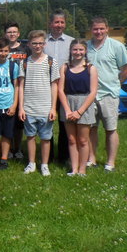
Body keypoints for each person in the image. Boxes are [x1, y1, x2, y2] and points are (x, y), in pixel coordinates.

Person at [87, 17, 127, 172]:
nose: (98, 32)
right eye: (95, 29)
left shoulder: (117, 46)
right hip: (90, 96)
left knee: (110, 129)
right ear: (91, 30)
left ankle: (110, 163)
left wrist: (116, 85)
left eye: (101, 28)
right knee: (91, 128)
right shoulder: (86, 47)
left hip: (109, 95)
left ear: (107, 29)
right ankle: (91, 159)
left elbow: (126, 71)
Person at [18, 30, 60, 176]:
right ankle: (31, 163)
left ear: (44, 44)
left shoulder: (51, 62)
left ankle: (44, 164)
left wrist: (53, 108)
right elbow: (21, 86)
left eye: (40, 43)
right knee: (30, 136)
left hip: (45, 107)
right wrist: (21, 108)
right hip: (29, 107)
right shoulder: (24, 62)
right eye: (34, 43)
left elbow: (54, 85)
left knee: (45, 138)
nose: (37, 46)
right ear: (29, 44)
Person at [58, 39, 98, 176]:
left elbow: (93, 92)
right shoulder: (64, 67)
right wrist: (68, 110)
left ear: (85, 51)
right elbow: (60, 90)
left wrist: (79, 111)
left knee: (82, 140)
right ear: (71, 50)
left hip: (84, 105)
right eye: (75, 49)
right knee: (71, 139)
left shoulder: (90, 68)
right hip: (68, 103)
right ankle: (74, 169)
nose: (78, 52)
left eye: (81, 49)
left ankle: (82, 170)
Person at [44, 10, 74, 165]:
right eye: (56, 22)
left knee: (64, 124)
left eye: (62, 22)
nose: (59, 25)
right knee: (47, 123)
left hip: (64, 89)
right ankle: (46, 158)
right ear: (50, 24)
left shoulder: (72, 42)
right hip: (46, 89)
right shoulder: (43, 42)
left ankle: (64, 157)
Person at [0, 38, 20, 170]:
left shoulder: (13, 66)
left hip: (8, 104)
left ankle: (4, 158)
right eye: (0, 51)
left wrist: (14, 105)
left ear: (9, 51)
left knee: (7, 134)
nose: (3, 53)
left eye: (5, 51)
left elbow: (17, 87)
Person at [4, 21, 28, 159]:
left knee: (19, 124)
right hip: (7, 90)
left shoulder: (26, 49)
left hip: (23, 88)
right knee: (8, 121)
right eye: (9, 32)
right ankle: (8, 148)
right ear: (5, 34)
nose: (12, 34)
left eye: (14, 32)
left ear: (18, 34)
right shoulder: (3, 49)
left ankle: (17, 148)